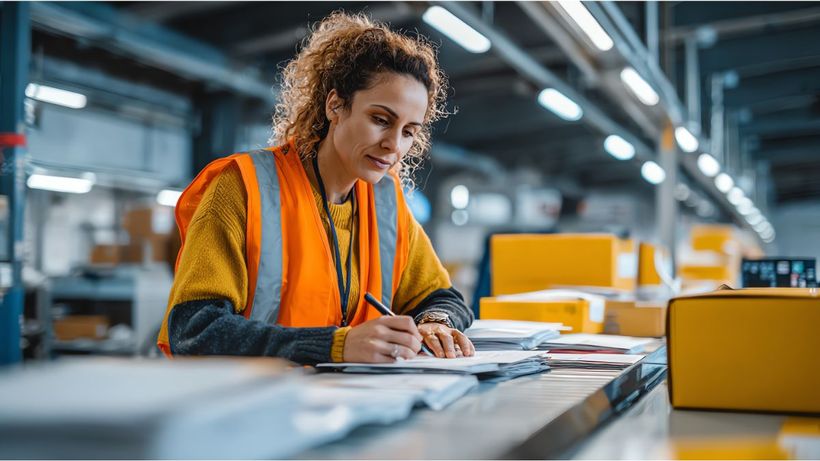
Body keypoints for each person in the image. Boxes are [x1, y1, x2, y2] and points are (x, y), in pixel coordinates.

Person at [157, 11, 475, 365]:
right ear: (335, 106)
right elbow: (194, 331)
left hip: (348, 404)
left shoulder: (386, 204)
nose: (393, 145)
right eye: (380, 120)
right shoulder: (242, 188)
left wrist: (436, 323)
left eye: (409, 131)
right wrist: (335, 345)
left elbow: (443, 297)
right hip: (248, 407)